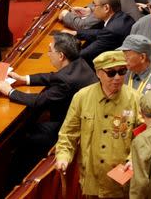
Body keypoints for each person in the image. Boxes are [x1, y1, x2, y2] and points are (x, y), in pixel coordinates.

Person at [0, 32, 97, 185]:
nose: (48, 54)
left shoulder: (66, 80)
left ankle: (12, 183)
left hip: (72, 128)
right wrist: (25, 79)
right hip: (80, 118)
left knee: (25, 141)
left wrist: (9, 91)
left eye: (50, 50)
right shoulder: (78, 63)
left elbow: (38, 101)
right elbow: (52, 77)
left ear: (61, 55)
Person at [55, 50, 143, 198]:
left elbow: (144, 137)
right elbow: (68, 133)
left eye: (122, 72)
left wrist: (133, 159)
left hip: (122, 184)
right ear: (98, 73)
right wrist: (63, 156)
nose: (117, 77)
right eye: (111, 73)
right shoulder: (82, 97)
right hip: (91, 182)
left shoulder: (136, 99)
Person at [62, 0, 135, 67]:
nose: (93, 8)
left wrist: (63, 52)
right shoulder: (123, 17)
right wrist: (76, 33)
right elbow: (100, 33)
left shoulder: (112, 30)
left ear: (106, 8)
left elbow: (84, 54)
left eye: (95, 4)